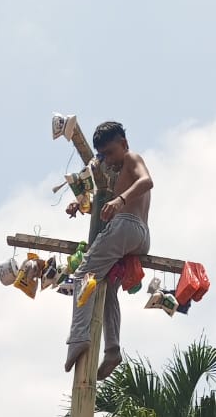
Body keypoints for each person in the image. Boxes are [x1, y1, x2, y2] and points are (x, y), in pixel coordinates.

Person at [64, 120, 153, 381]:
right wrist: (80, 206)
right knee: (107, 287)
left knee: (83, 275)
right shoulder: (115, 173)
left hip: (128, 226)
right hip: (137, 236)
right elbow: (102, 205)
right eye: (103, 155)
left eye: (111, 152)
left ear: (124, 144)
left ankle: (78, 337)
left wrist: (120, 200)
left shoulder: (132, 159)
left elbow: (147, 181)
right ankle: (112, 349)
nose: (108, 159)